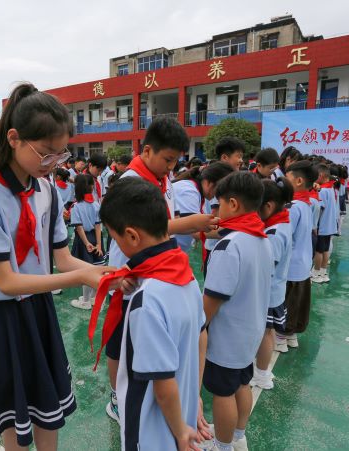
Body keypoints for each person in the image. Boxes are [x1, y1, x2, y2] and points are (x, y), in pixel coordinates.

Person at [0, 83, 113, 449]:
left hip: (38, 307)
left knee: (46, 402)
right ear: (14, 139)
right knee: (13, 412)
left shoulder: (46, 191)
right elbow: (6, 282)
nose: (53, 162)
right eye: (46, 153)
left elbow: (62, 258)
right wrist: (83, 276)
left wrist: (105, 272)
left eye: (61, 153)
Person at [96, 116, 218, 426]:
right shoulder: (129, 182)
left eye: (175, 161)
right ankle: (117, 398)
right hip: (129, 273)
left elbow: (160, 229)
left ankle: (148, 391)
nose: (171, 167)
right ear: (147, 150)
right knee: (119, 343)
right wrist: (190, 224)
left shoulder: (164, 180)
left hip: (157, 272)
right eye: (167, 159)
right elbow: (145, 229)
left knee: (149, 344)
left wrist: (193, 228)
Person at [93, 177, 204, 451]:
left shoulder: (147, 301)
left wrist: (180, 431)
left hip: (152, 429)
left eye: (115, 238)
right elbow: (202, 338)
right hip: (184, 409)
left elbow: (162, 385)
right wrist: (195, 396)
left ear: (132, 236)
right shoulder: (187, 275)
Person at [200, 171, 273, 451]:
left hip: (227, 337)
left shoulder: (229, 246)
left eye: (218, 204)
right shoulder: (261, 239)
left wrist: (197, 327)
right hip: (250, 331)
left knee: (222, 393)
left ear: (233, 203)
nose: (216, 211)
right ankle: (238, 436)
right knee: (243, 384)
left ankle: (222, 445)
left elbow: (212, 299)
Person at [252, 178, 293, 390]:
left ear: (267, 206)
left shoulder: (273, 234)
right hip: (276, 292)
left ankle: (261, 374)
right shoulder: (282, 224)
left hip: (268, 295)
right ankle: (263, 369)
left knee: (264, 334)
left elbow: (267, 270)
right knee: (267, 333)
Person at [278, 160, 317, 352]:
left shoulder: (292, 207)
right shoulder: (307, 204)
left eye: (287, 178)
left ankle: (280, 338)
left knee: (286, 302)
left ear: (299, 181)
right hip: (302, 264)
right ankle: (291, 336)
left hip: (290, 266)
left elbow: (285, 237)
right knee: (297, 302)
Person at [172, 162, 234, 254]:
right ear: (209, 183)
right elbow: (195, 231)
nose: (218, 196)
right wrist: (235, 228)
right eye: (220, 190)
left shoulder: (195, 191)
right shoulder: (188, 191)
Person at [69, 174, 106, 310]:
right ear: (91, 188)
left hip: (84, 239)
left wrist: (86, 243)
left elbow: (79, 228)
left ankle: (85, 301)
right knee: (97, 269)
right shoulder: (96, 204)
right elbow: (98, 226)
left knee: (86, 271)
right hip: (96, 238)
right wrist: (99, 244)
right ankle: (93, 298)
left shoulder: (76, 206)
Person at [312, 165, 338, 284]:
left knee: (319, 251)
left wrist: (315, 225)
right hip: (330, 225)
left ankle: (316, 274)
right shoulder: (331, 188)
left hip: (322, 226)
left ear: (321, 175)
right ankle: (323, 273)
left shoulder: (322, 191)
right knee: (326, 250)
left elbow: (320, 209)